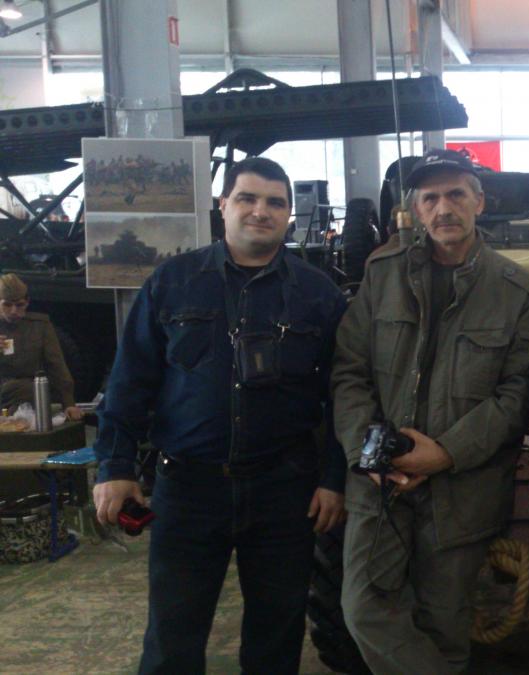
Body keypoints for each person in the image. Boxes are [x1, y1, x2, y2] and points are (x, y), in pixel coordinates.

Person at [92, 157, 349, 674]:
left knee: (277, 635)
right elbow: (129, 382)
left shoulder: (318, 294)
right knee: (173, 637)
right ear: (223, 205)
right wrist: (115, 466)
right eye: (247, 198)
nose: (261, 211)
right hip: (189, 488)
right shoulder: (173, 282)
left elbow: (342, 395)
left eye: (275, 202)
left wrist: (333, 478)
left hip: (284, 491)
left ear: (289, 215)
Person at [332, 148, 529, 674]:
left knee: (445, 627)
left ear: (479, 201)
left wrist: (446, 453)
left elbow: (519, 394)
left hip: (462, 489)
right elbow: (349, 371)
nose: (443, 208)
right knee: (363, 609)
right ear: (416, 208)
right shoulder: (383, 275)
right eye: (430, 198)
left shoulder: (517, 291)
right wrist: (369, 452)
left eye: (455, 194)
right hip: (381, 482)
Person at [0, 273, 82, 420]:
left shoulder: (39, 326)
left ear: (27, 303)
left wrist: (69, 403)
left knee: (30, 390)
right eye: (7, 305)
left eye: (19, 305)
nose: (13, 311)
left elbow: (57, 366)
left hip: (29, 389)